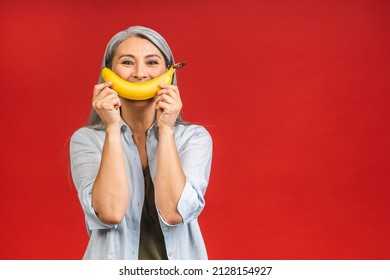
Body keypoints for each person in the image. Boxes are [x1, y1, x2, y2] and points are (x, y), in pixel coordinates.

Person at [69, 26, 212, 260]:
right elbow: (110, 213)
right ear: (108, 72)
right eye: (127, 62)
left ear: (169, 71)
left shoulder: (194, 138)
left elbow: (174, 213)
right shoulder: (87, 140)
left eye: (152, 62)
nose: (140, 73)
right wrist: (112, 127)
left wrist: (165, 128)